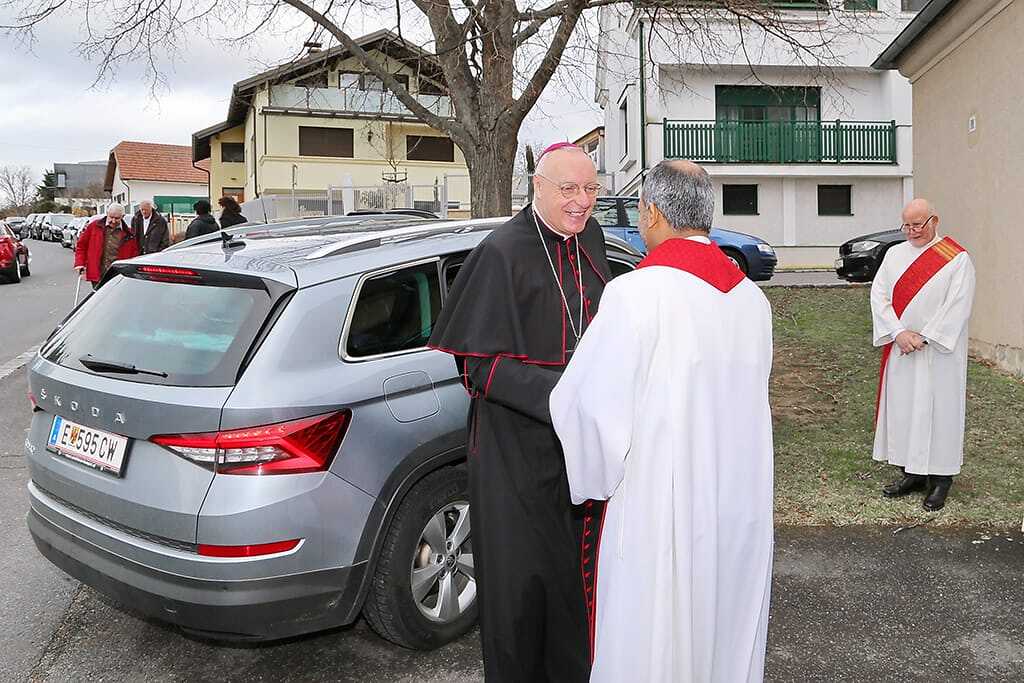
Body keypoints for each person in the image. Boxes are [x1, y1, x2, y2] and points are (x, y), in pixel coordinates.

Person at [550, 160, 775, 683]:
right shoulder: (752, 300)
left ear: (651, 212)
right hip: (736, 503)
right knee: (724, 630)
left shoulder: (635, 293)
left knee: (656, 637)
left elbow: (592, 410)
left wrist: (592, 478)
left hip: (661, 507)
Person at [428, 143, 613, 682]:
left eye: (590, 189)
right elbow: (477, 367)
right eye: (568, 189)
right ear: (537, 186)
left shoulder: (592, 239)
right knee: (519, 590)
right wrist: (564, 395)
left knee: (575, 583)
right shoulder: (501, 252)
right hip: (513, 453)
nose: (581, 202)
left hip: (578, 448)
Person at [871, 198, 975, 511]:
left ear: (934, 221)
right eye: (907, 225)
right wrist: (898, 333)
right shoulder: (894, 255)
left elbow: (958, 305)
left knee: (940, 412)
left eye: (918, 224)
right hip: (902, 347)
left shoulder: (956, 259)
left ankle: (941, 479)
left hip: (939, 353)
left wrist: (925, 337)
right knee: (905, 409)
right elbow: (879, 296)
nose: (912, 231)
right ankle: (912, 473)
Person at [73, 203, 140, 289]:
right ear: (107, 214)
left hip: (118, 276)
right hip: (98, 273)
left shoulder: (129, 234)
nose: (113, 221)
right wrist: (80, 263)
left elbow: (134, 255)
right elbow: (81, 246)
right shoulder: (94, 226)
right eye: (111, 217)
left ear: (123, 216)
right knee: (99, 295)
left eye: (117, 218)